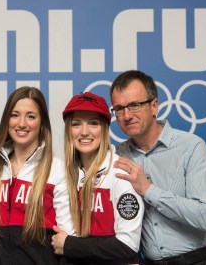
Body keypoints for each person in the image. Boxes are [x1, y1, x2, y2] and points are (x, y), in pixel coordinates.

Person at [110, 70, 206, 265]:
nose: (126, 115)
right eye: (119, 109)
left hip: (199, 260)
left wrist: (148, 190)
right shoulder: (118, 156)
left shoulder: (191, 146)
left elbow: (204, 216)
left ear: (154, 106)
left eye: (134, 105)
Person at [51, 92, 144, 265]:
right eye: (76, 124)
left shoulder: (120, 173)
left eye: (93, 123)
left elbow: (128, 245)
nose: (84, 132)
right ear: (68, 131)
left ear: (104, 129)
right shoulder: (63, 174)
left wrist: (71, 245)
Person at [0, 86, 74, 265]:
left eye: (31, 116)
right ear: (6, 120)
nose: (22, 123)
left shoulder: (57, 170)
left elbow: (68, 240)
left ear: (42, 122)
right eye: (15, 115)